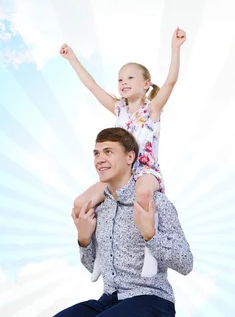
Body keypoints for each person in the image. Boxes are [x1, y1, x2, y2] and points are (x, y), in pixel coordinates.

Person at [60, 27, 186, 280]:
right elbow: (93, 87)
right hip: (120, 173)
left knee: (142, 193)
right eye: (120, 80)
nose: (123, 83)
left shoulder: (152, 109)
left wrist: (175, 48)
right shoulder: (119, 109)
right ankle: (102, 253)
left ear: (146, 84)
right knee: (79, 203)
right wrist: (72, 59)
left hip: (144, 171)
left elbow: (171, 81)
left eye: (130, 78)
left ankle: (151, 252)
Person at [54, 127, 193, 317]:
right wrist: (84, 240)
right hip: (109, 300)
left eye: (108, 152)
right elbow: (93, 267)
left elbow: (186, 263)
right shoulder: (101, 209)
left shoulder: (155, 202)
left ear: (130, 157)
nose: (99, 159)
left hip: (152, 300)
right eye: (96, 153)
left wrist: (150, 234)